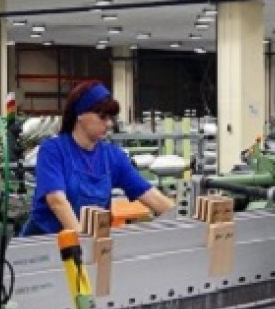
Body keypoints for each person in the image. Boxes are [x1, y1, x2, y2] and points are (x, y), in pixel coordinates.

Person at [23, 81, 175, 235]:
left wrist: (181, 220)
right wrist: (83, 240)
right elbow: (57, 201)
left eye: (110, 117)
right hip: (44, 243)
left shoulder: (113, 157)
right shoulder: (53, 150)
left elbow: (150, 195)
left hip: (88, 243)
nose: (109, 124)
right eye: (102, 117)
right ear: (80, 114)